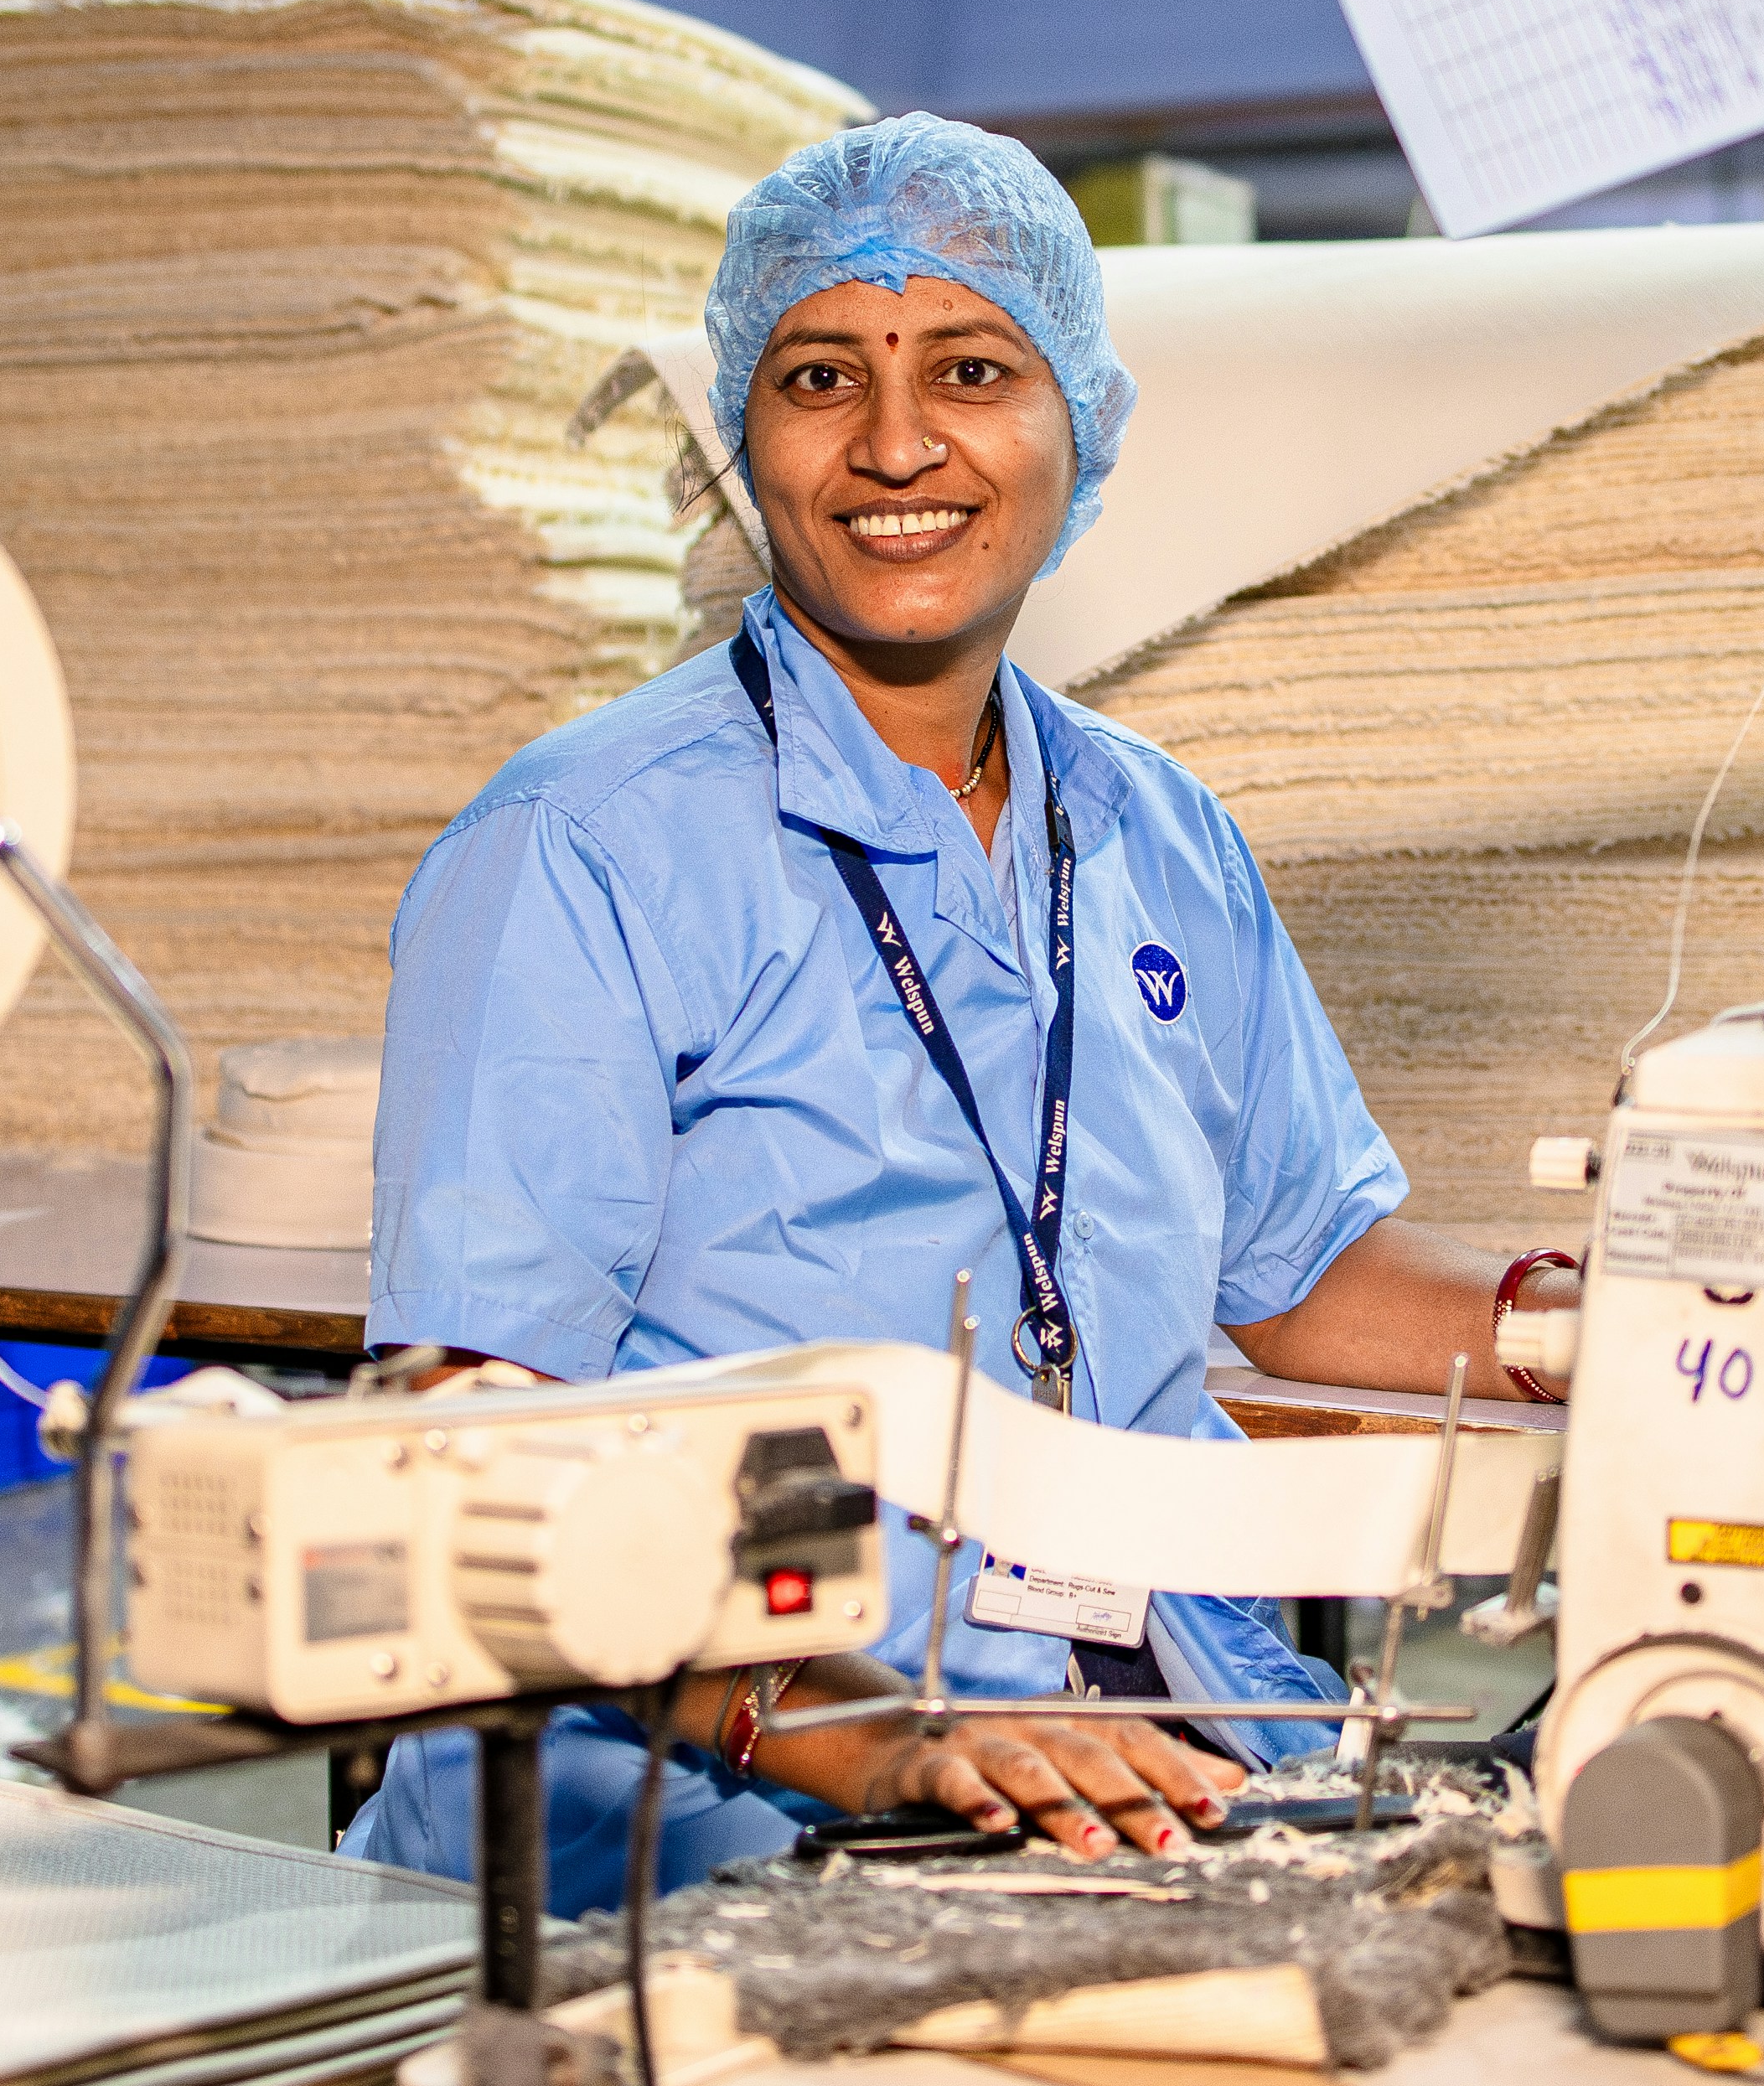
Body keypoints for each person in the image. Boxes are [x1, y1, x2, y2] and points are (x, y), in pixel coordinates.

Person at [337, 113, 1575, 1914]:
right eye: (820, 374)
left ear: (1079, 427)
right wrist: (868, 1740)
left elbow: (1302, 1270)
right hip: (730, 1776)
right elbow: (472, 1440)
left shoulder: (1153, 829)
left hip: (1147, 1719)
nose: (898, 442)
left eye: (973, 370)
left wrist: (1631, 1338)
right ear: (746, 448)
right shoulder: (584, 846)